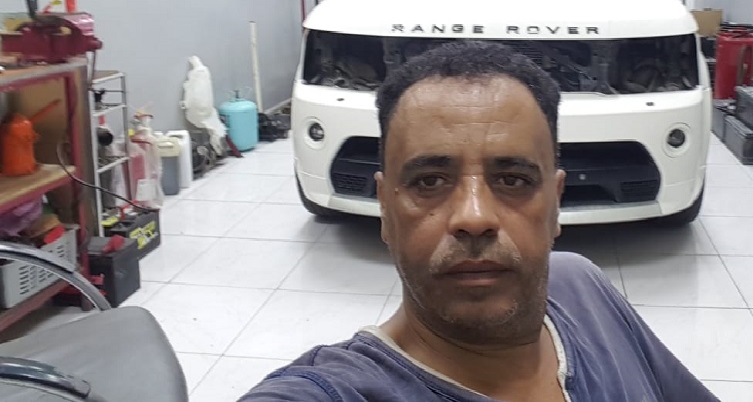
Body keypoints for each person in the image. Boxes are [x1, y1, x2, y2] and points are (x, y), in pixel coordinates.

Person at [242, 41, 718, 402]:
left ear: (555, 203)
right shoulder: (340, 390)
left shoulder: (582, 289)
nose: (474, 217)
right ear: (386, 209)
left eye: (512, 180)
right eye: (429, 181)